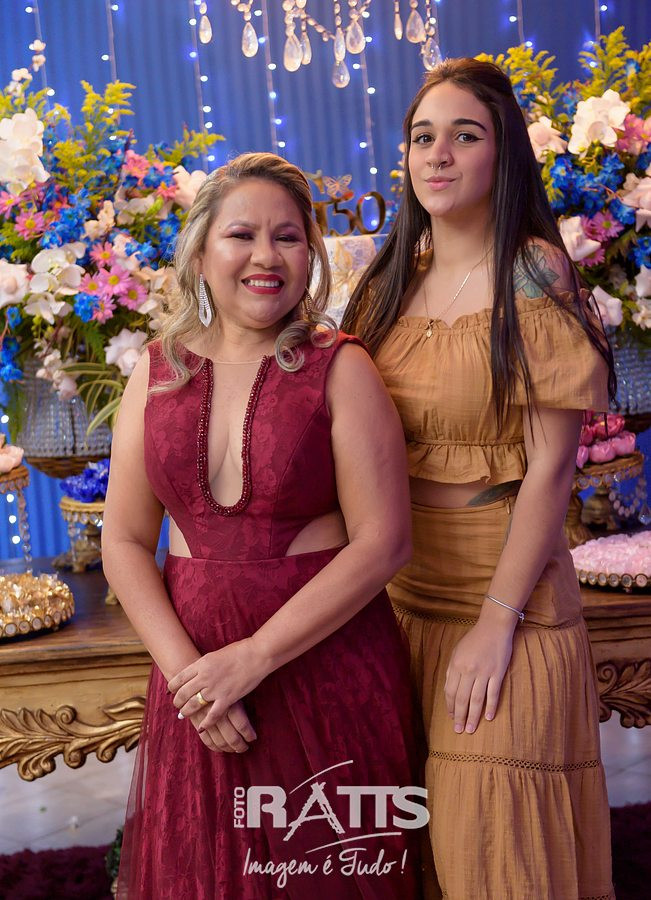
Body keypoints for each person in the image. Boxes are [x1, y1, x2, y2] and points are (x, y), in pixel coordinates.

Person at [103, 152, 425, 899]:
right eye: (241, 235)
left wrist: (252, 658)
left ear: (310, 254)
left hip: (321, 668)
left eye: (287, 237)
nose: (265, 257)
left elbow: (384, 541)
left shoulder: (342, 367)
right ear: (200, 253)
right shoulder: (154, 372)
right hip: (197, 683)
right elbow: (124, 540)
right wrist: (191, 680)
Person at [343, 58, 615, 900]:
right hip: (394, 593)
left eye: (464, 136)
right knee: (404, 848)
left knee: (491, 849)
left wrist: (497, 623)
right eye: (422, 137)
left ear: (503, 155)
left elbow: (550, 471)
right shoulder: (386, 282)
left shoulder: (532, 271)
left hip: (506, 594)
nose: (437, 155)